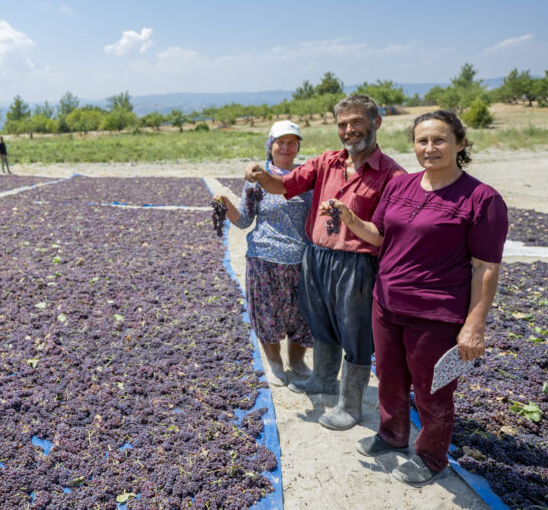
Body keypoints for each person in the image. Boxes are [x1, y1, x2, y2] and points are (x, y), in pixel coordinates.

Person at [322, 110, 508, 487]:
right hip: (387, 304)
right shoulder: (400, 185)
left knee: (432, 391)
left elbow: (485, 266)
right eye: (422, 141)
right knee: (389, 379)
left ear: (460, 143)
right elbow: (379, 235)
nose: (430, 148)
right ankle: (392, 435)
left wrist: (475, 323)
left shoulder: (481, 199)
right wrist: (350, 218)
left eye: (439, 140)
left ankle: (431, 457)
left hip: (436, 314)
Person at [245, 94, 404, 431]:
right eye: (343, 124)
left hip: (357, 264)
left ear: (376, 122)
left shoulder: (392, 175)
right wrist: (260, 175)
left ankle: (350, 405)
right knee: (321, 323)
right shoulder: (326, 162)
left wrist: (351, 221)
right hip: (317, 257)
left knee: (356, 333)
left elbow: (386, 234)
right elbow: (282, 185)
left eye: (357, 122)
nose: (349, 130)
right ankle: (323, 379)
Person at [214, 121, 314, 386]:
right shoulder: (257, 180)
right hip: (264, 258)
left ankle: (297, 361)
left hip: (300, 260)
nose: (286, 147)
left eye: (292, 142)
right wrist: (225, 203)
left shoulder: (306, 178)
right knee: (268, 314)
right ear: (270, 145)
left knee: (301, 317)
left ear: (298, 147)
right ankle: (275, 363)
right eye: (280, 141)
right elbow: (245, 220)